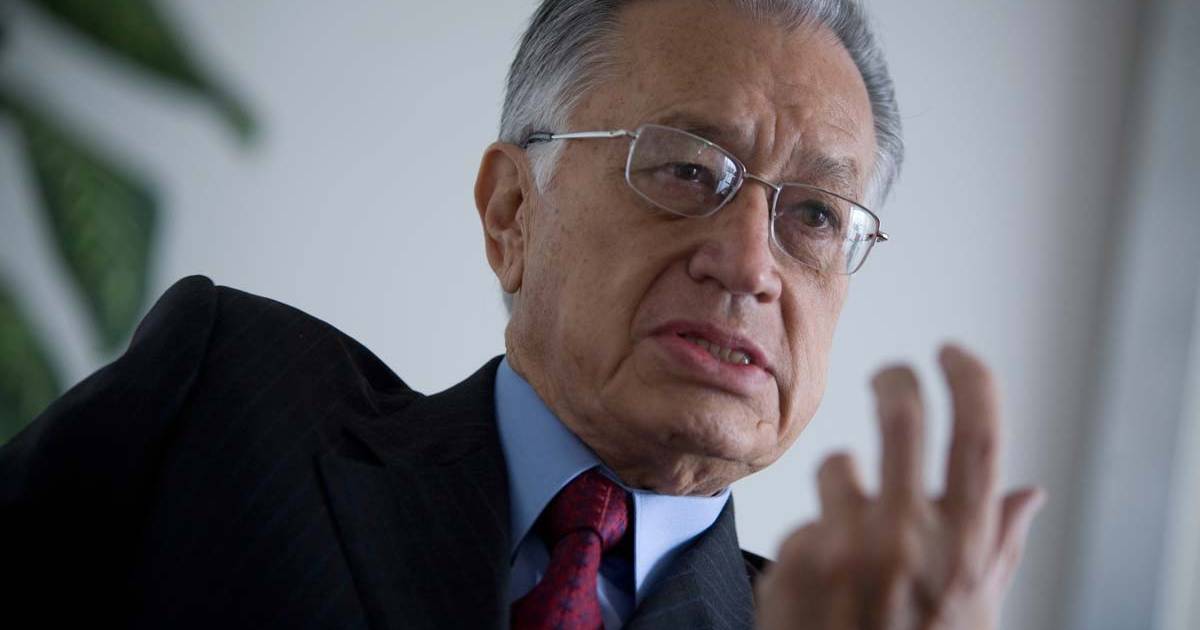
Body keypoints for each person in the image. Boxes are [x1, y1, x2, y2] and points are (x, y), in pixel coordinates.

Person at [0, 0, 1045, 628]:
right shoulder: (227, 400)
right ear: (511, 212)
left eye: (813, 214)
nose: (747, 265)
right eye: (687, 169)